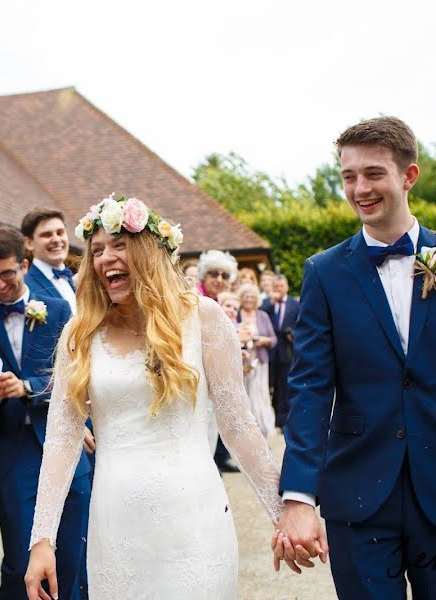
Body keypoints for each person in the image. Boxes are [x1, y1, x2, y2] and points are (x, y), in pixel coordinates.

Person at [275, 117, 436, 599]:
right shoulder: (323, 273)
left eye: (373, 173)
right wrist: (298, 498)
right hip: (358, 497)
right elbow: (310, 391)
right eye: (348, 176)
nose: (360, 188)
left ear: (408, 175)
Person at [24, 195, 282, 599]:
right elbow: (61, 440)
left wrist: (284, 513)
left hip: (195, 517)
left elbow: (238, 425)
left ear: (148, 251)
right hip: (117, 522)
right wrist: (42, 539)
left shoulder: (205, 318)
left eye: (119, 244)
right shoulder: (80, 335)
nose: (106, 258)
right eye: (96, 251)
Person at [0, 225, 90, 600]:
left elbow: (77, 377)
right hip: (11, 453)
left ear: (26, 265)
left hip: (61, 445)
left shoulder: (61, 309)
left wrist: (28, 386)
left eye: (7, 274)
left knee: (71, 556)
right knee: (21, 561)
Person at [196, 249, 241, 472]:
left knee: (213, 432)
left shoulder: (218, 303)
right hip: (196, 381)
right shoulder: (195, 299)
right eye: (214, 274)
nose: (219, 279)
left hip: (214, 383)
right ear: (204, 275)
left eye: (224, 275)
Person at [236, 283, 277, 437]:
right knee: (244, 395)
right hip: (241, 362)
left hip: (259, 362)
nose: (249, 299)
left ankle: (262, 430)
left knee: (259, 395)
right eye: (246, 296)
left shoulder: (263, 316)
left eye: (252, 297)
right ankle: (245, 433)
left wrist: (264, 341)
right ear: (241, 298)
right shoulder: (236, 314)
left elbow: (274, 339)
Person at [22, 208, 76, 313]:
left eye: (60, 233)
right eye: (47, 235)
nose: (56, 240)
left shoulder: (78, 283)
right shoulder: (26, 288)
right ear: (29, 243)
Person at [264, 274, 299, 427]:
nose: (278, 289)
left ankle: (283, 419)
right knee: (270, 384)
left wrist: (293, 334)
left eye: (281, 287)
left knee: (285, 384)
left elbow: (301, 324)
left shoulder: (294, 304)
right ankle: (271, 416)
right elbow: (260, 315)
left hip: (287, 349)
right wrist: (271, 302)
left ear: (286, 287)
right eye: (276, 287)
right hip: (270, 350)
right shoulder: (267, 303)